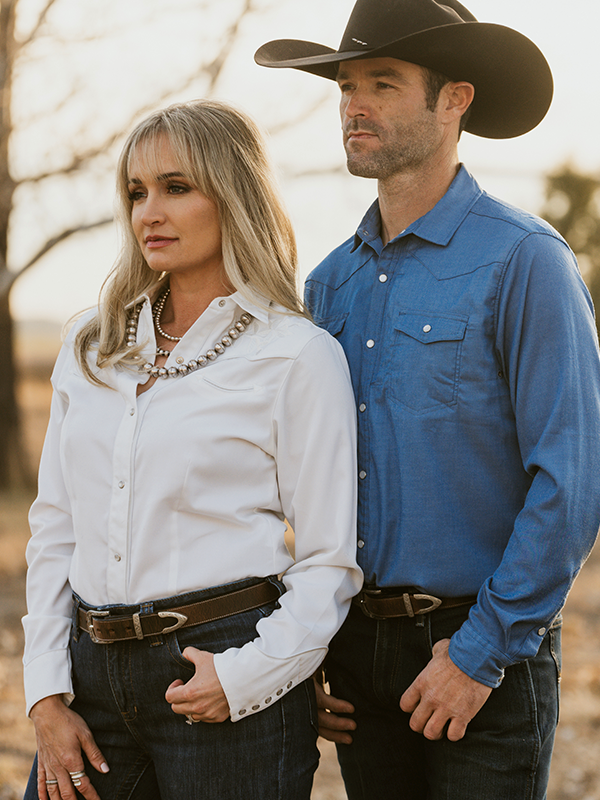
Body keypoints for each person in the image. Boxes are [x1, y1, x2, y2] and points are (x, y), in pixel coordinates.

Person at [255, 1, 600, 797]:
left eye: (383, 82)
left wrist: (480, 653)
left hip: (482, 651)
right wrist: (308, 645)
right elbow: (308, 486)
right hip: (355, 659)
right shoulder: (329, 283)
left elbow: (572, 483)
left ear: (456, 100)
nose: (355, 105)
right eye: (345, 86)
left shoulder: (526, 262)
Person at [21, 99, 362, 800]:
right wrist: (45, 694)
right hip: (88, 681)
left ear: (233, 194)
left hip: (224, 670)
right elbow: (55, 527)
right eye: (136, 191)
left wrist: (246, 678)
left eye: (177, 187)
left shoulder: (296, 355)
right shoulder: (91, 344)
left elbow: (329, 561)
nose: (150, 211)